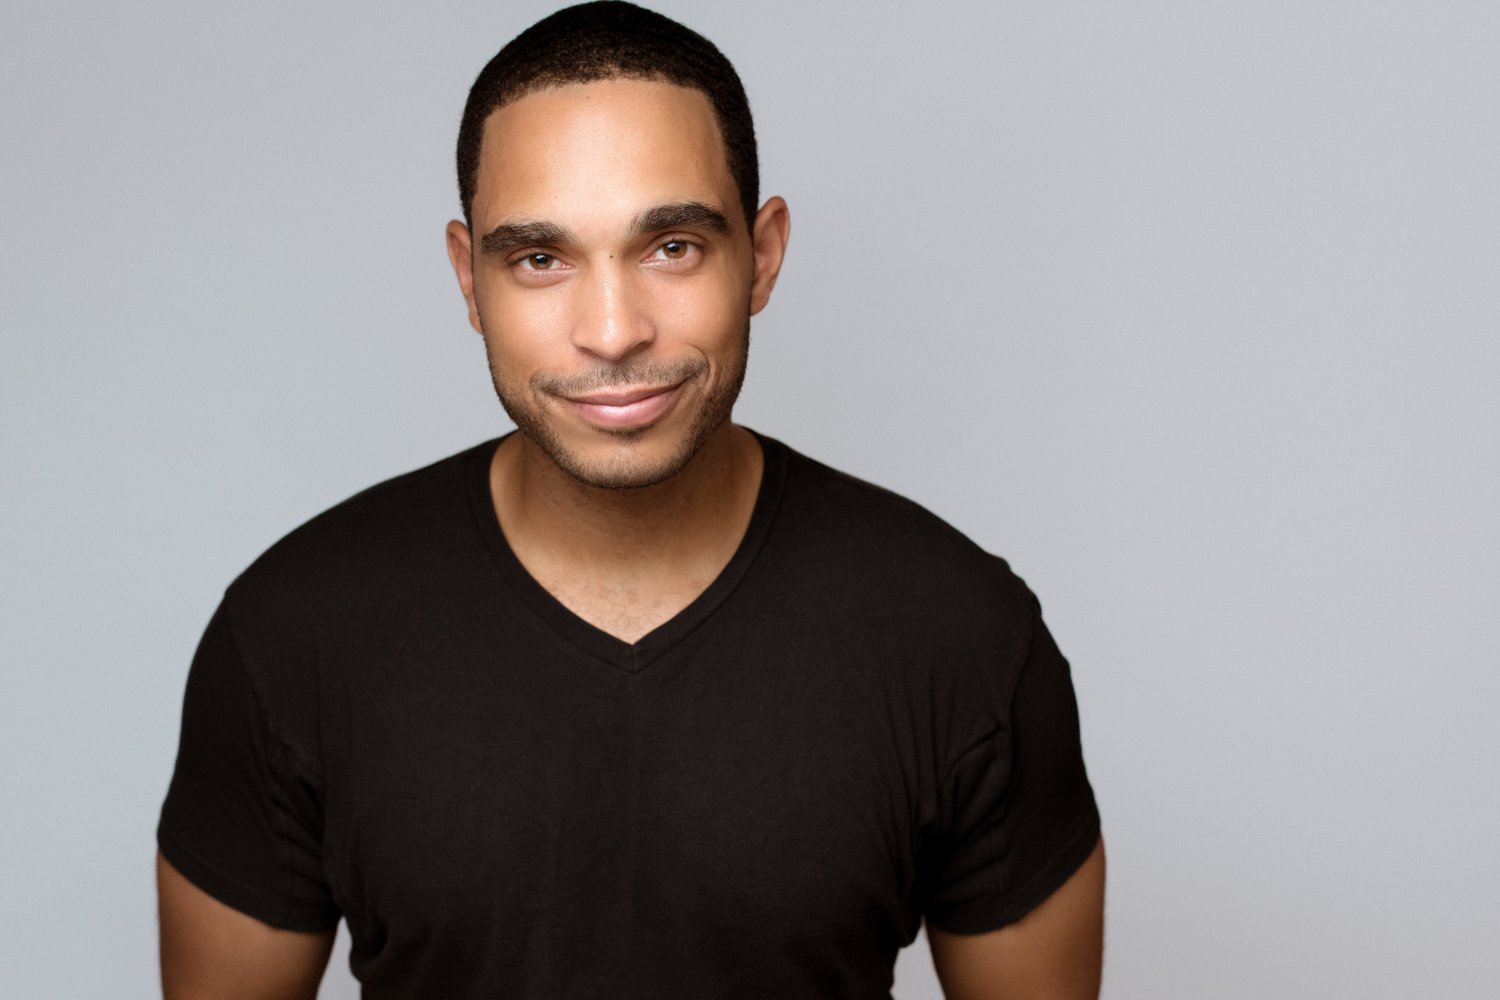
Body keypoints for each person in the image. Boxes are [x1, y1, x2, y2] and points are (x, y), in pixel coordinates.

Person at [154, 3, 1105, 997]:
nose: (612, 332)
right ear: (469, 279)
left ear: (762, 254)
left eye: (672, 246)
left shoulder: (961, 635)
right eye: (539, 259)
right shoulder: (293, 632)